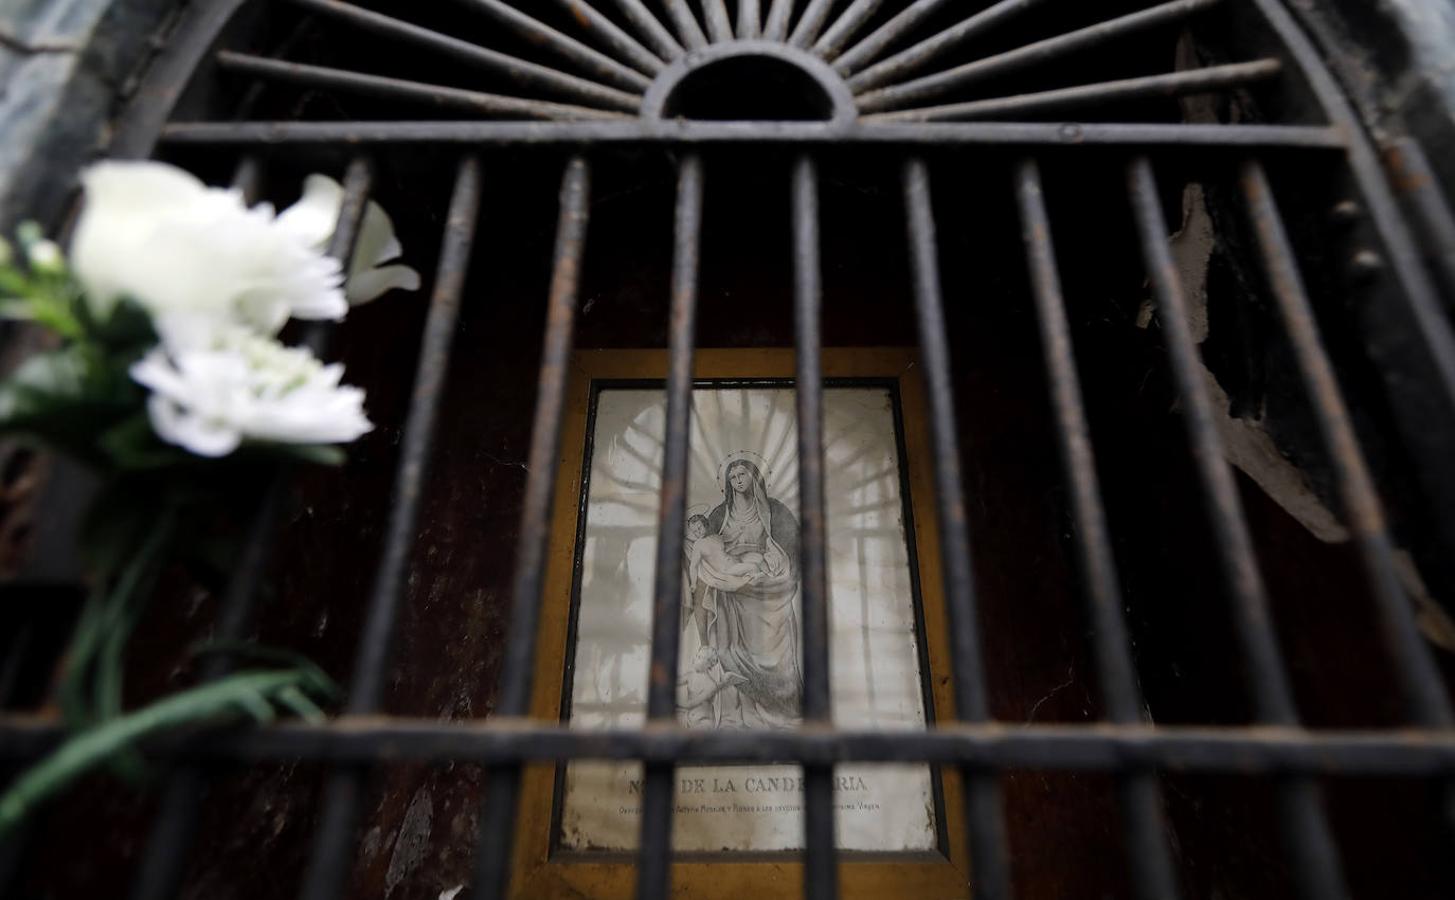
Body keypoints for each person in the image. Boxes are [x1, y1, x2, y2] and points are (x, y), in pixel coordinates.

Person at [679, 458, 803, 730]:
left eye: (742, 474)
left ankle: (781, 715)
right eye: (732, 475)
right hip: (730, 595)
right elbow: (700, 552)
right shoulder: (718, 516)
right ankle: (739, 716)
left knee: (778, 656)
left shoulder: (776, 512)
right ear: (727, 482)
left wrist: (775, 566)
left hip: (767, 592)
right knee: (731, 652)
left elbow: (793, 549)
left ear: (755, 477)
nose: (737, 479)